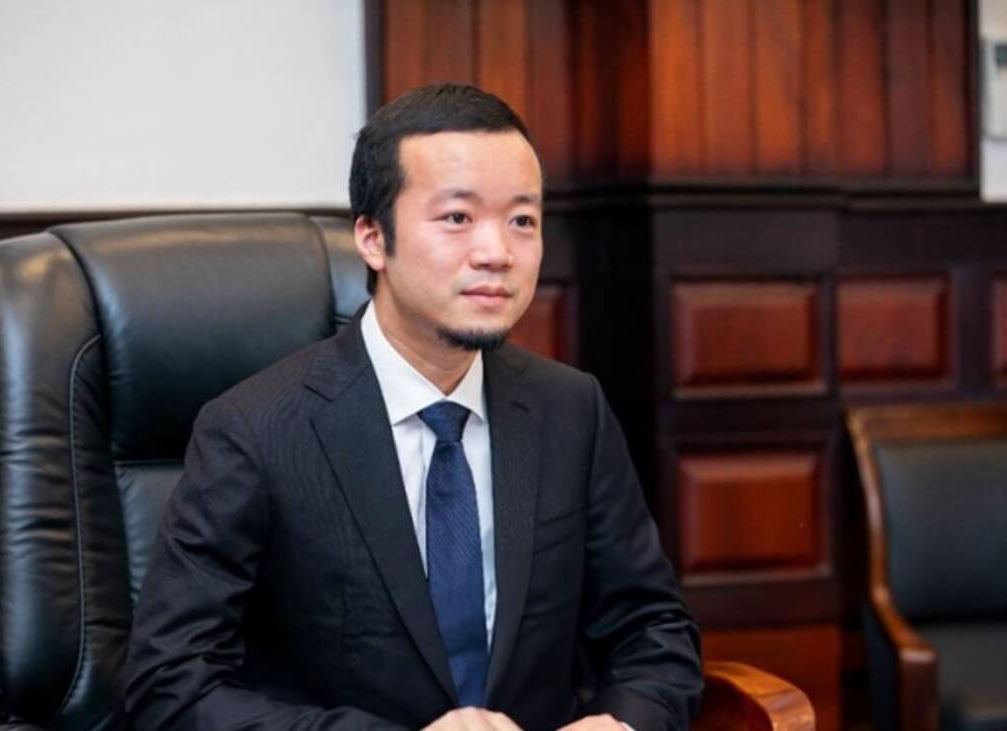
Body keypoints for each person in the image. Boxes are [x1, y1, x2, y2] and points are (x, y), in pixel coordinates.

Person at [124, 83, 702, 731]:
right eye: (457, 218)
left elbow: (653, 630)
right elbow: (169, 685)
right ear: (373, 238)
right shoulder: (255, 430)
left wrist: (624, 723)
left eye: (522, 220)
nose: (496, 253)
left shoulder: (572, 410)